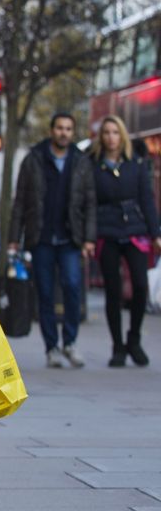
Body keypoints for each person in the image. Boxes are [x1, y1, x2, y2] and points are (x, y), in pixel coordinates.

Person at [9, 112, 96, 369]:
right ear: (52, 130)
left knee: (72, 287)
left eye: (68, 129)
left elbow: (90, 203)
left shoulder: (81, 161)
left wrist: (89, 238)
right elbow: (20, 202)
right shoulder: (33, 159)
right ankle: (52, 347)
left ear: (72, 132)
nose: (63, 133)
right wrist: (14, 238)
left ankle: (70, 342)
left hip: (71, 238)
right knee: (45, 293)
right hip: (41, 238)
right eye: (59, 128)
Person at [90, 115, 157, 367]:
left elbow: (147, 199)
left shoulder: (136, 164)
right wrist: (88, 236)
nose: (111, 137)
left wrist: (155, 233)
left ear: (122, 136)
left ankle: (134, 339)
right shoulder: (93, 165)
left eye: (115, 132)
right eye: (106, 132)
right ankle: (117, 346)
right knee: (113, 290)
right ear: (101, 137)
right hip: (106, 230)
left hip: (134, 229)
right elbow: (88, 201)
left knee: (140, 285)